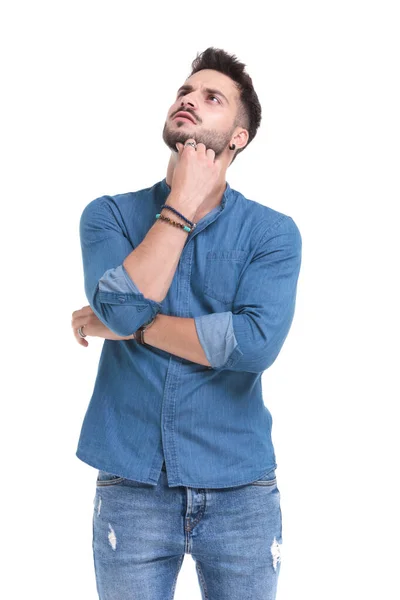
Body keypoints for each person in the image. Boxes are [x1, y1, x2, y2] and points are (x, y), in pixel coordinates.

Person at [71, 46, 302, 600]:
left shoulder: (273, 234)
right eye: (185, 91)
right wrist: (182, 202)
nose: (189, 101)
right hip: (131, 485)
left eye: (211, 97)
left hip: (240, 488)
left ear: (239, 138)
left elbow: (252, 343)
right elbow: (121, 310)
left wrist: (132, 326)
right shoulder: (109, 216)